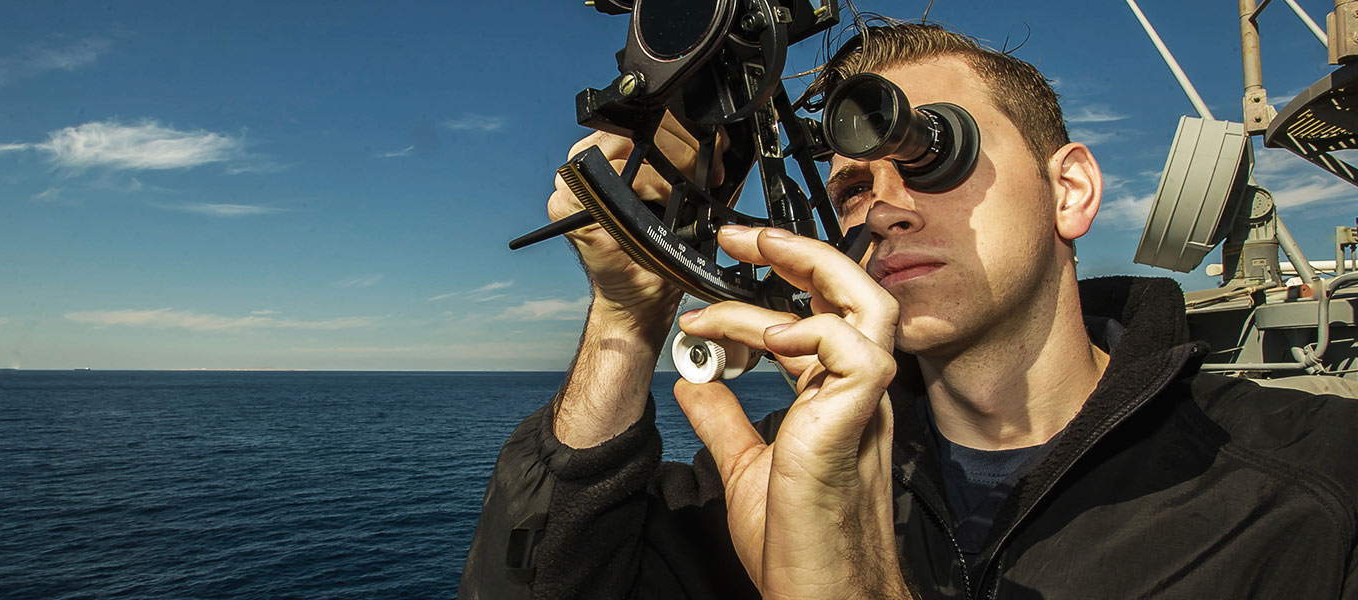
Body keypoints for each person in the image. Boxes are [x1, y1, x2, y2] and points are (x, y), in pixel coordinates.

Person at [460, 20, 1358, 600]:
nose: (883, 206)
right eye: (849, 186)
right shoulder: (779, 487)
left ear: (1071, 190)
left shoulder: (1315, 491)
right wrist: (626, 325)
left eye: (933, 152)